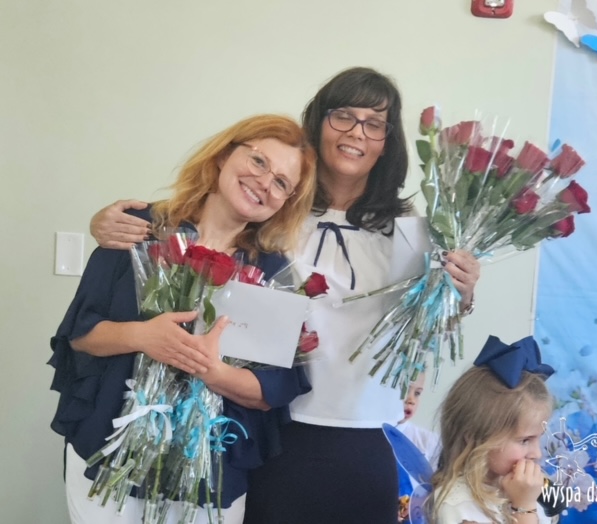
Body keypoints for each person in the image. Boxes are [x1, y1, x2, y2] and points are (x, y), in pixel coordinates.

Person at [88, 67, 481, 524]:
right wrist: (106, 222)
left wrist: (463, 296)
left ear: (386, 142)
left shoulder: (411, 231)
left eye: (375, 123)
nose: (357, 133)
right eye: (343, 116)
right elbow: (201, 226)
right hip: (270, 425)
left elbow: (427, 328)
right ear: (318, 121)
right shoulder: (274, 211)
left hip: (367, 432)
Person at [48, 114, 317, 524]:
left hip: (208, 476)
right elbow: (80, 335)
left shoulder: (272, 274)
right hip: (110, 454)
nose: (265, 183)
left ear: (287, 201)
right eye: (259, 161)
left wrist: (212, 371)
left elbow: (270, 392)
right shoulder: (139, 229)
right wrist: (143, 337)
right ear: (224, 155)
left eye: (282, 182)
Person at [430, 335, 556, 524]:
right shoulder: (458, 506)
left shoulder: (533, 490)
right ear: (476, 437)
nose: (537, 454)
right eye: (525, 440)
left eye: (539, 437)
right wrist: (524, 508)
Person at [397, 371, 442, 466]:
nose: (411, 400)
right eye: (404, 390)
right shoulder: (368, 432)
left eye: (417, 393)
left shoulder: (430, 443)